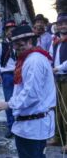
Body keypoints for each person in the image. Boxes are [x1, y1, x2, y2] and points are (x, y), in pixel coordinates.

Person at [0, 25, 56, 158]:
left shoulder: (34, 61)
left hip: (33, 127)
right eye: (15, 44)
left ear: (30, 41)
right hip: (29, 126)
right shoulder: (27, 59)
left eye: (21, 44)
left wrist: (8, 104)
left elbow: (31, 94)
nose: (17, 48)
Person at [0, 19, 17, 138]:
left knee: (19, 99)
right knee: (8, 101)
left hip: (19, 74)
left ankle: (20, 125)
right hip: (7, 75)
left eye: (13, 30)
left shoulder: (19, 43)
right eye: (9, 30)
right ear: (6, 32)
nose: (11, 32)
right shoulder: (0, 46)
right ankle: (11, 126)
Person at [48, 12, 67, 153]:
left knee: (66, 110)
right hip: (56, 79)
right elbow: (50, 57)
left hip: (65, 78)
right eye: (60, 23)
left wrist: (58, 68)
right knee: (57, 109)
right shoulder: (55, 41)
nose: (62, 26)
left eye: (65, 23)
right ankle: (58, 137)